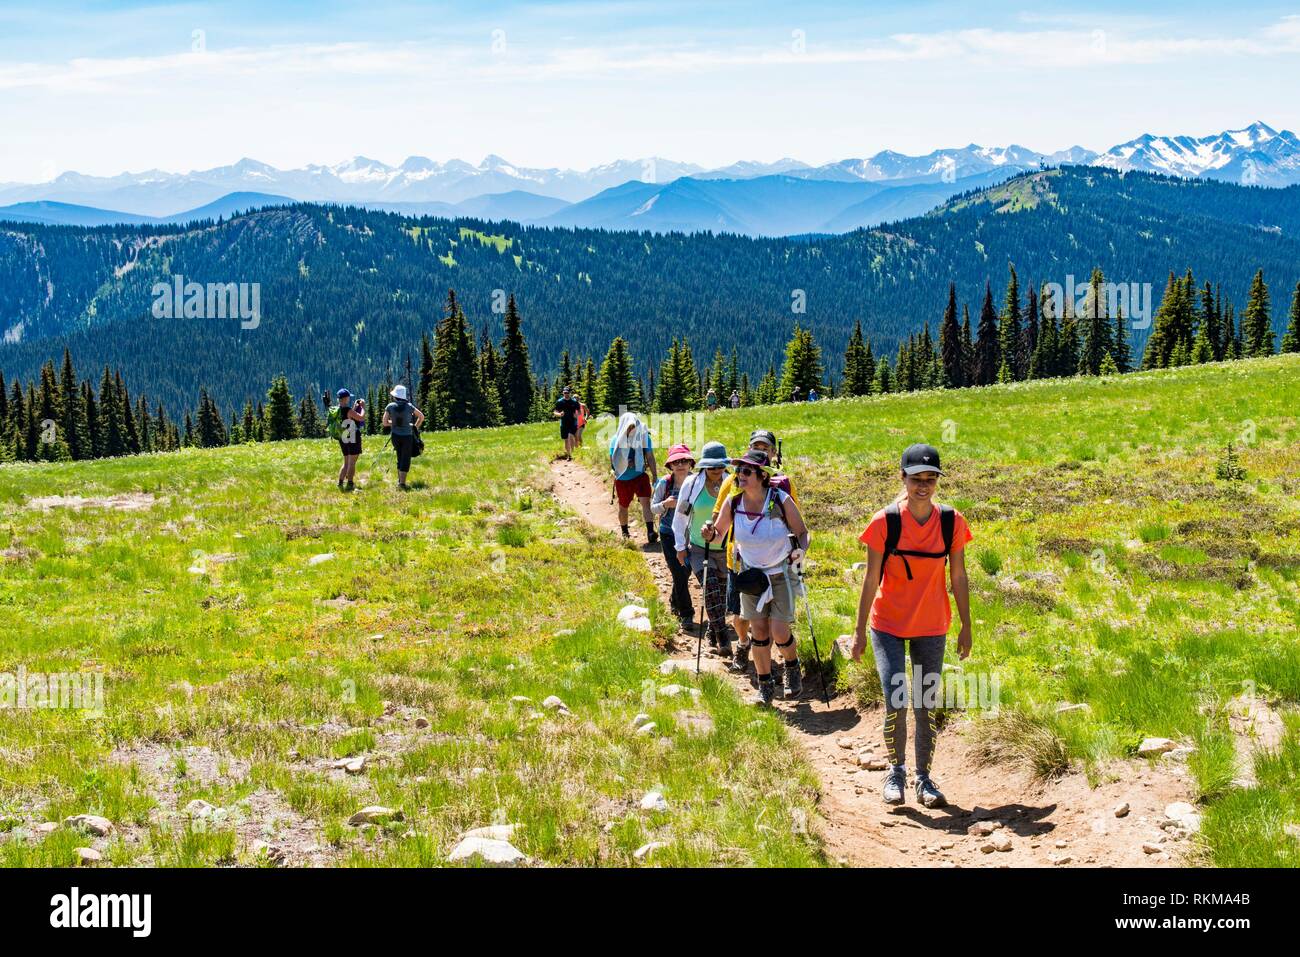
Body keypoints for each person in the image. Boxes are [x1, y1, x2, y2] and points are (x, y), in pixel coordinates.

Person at [851, 443, 972, 809]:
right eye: (916, 478)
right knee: (895, 699)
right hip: (887, 623)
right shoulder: (884, 522)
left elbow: (960, 575)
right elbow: (871, 580)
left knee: (924, 702)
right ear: (901, 478)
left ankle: (924, 778)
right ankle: (896, 771)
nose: (923, 486)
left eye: (931, 479)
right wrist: (858, 631)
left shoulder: (952, 521)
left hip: (933, 624)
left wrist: (967, 625)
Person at [703, 449, 810, 706]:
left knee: (780, 631)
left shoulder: (780, 500)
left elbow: (803, 533)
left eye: (746, 471)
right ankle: (765, 687)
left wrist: (800, 551)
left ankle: (792, 667)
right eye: (739, 470)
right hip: (751, 577)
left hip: (780, 573)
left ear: (762, 475)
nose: (740, 475)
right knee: (759, 632)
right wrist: (709, 533)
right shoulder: (734, 502)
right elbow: (718, 536)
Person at [712, 430, 800, 674]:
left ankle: (769, 670)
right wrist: (712, 531)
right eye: (756, 445)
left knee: (768, 626)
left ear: (773, 453)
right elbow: (718, 516)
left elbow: (795, 524)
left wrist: (798, 550)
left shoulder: (781, 486)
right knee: (740, 617)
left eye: (765, 447)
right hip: (739, 559)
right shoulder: (733, 485)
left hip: (777, 564)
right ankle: (743, 643)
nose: (761, 449)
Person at [672, 441, 731, 654]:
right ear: (704, 466)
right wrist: (680, 547)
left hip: (726, 548)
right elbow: (680, 516)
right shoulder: (691, 483)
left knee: (721, 597)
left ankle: (711, 632)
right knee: (711, 588)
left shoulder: (732, 483)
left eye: (720, 466)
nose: (716, 470)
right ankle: (723, 636)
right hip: (698, 547)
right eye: (712, 466)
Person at [651, 444, 695, 627]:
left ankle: (674, 601)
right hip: (669, 533)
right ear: (670, 465)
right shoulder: (664, 483)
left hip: (692, 535)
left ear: (690, 463)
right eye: (676, 462)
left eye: (684, 461)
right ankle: (687, 614)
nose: (680, 465)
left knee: (685, 572)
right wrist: (665, 504)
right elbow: (653, 508)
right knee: (679, 572)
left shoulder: (697, 481)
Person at [609, 411, 658, 544]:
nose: (632, 429)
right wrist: (625, 463)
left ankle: (650, 531)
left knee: (646, 503)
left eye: (634, 425)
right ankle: (625, 532)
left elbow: (650, 456)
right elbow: (613, 462)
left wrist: (655, 475)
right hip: (623, 479)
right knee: (623, 506)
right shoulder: (616, 440)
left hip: (640, 475)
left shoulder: (644, 437)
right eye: (630, 426)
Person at [382, 384, 425, 489]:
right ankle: (402, 484)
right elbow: (421, 417)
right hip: (407, 437)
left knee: (399, 456)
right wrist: (414, 427)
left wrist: (395, 423)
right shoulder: (409, 407)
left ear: (396, 396)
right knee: (405, 458)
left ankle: (399, 481)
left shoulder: (390, 406)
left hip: (395, 436)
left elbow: (385, 422)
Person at [331, 389, 366, 491]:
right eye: (348, 397)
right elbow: (361, 418)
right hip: (352, 437)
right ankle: (350, 483)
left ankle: (340, 482)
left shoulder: (337, 410)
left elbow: (350, 416)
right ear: (345, 398)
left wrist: (355, 407)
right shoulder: (348, 410)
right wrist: (362, 407)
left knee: (346, 462)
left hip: (343, 437)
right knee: (352, 463)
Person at [552, 386, 581, 460]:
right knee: (566, 439)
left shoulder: (574, 402)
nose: (566, 394)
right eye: (565, 393)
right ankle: (569, 455)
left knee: (570, 436)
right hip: (564, 423)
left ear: (570, 393)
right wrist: (559, 414)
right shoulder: (560, 402)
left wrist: (576, 415)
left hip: (572, 422)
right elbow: (555, 412)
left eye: (567, 393)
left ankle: (573, 453)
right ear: (563, 393)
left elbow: (579, 411)